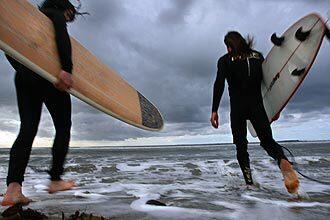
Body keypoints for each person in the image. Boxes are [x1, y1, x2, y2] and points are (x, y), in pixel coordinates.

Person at [1, 0, 80, 206]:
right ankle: (55, 180)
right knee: (63, 127)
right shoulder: (54, 15)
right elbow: (62, 37)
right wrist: (66, 69)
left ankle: (13, 190)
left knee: (27, 129)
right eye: (70, 14)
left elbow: (9, 48)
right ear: (66, 8)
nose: (70, 19)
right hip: (49, 77)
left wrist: (25, 68)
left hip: (24, 75)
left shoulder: (25, 24)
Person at [210, 31, 299, 194]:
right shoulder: (258, 56)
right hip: (258, 106)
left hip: (238, 108)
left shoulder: (225, 60)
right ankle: (283, 162)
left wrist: (214, 110)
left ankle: (249, 182)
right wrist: (275, 106)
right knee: (268, 141)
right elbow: (269, 81)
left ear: (229, 46)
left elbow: (219, 85)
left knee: (241, 146)